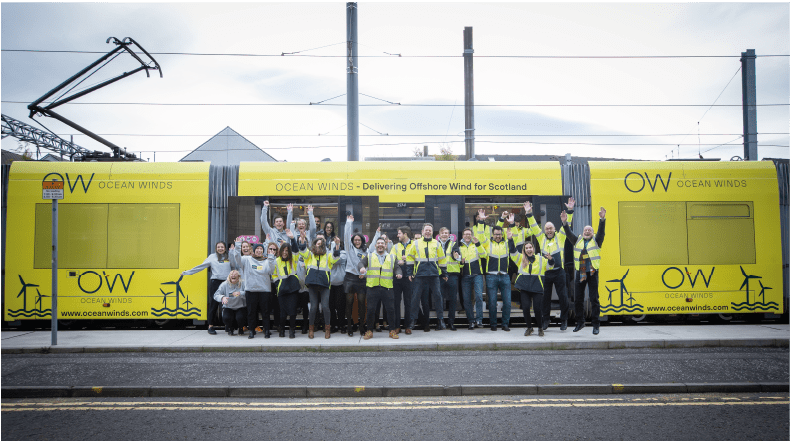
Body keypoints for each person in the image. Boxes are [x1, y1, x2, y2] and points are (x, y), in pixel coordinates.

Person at [525, 198, 575, 331]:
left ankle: (564, 320)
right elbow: (535, 227)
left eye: (551, 228)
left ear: (554, 229)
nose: (548, 230)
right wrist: (529, 213)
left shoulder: (560, 237)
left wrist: (570, 211)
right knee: (544, 298)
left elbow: (567, 224)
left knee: (563, 297)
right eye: (547, 228)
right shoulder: (541, 238)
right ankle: (546, 320)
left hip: (559, 272)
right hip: (545, 273)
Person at [563, 206, 607, 335]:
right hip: (580, 273)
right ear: (582, 232)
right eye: (585, 230)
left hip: (592, 273)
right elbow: (568, 233)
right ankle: (580, 322)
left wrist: (602, 219)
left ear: (592, 233)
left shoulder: (597, 241)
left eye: (589, 230)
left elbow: (601, 232)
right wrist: (565, 223)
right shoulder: (577, 240)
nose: (587, 231)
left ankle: (596, 325)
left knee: (594, 299)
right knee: (578, 300)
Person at [298, 233, 342, 339]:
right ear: (314, 244)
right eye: (317, 243)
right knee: (313, 308)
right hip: (312, 284)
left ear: (324, 246)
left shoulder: (328, 255)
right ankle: (311, 329)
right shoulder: (310, 255)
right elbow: (303, 250)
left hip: (325, 285)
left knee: (326, 307)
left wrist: (337, 246)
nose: (319, 245)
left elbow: (336, 257)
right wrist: (303, 240)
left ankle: (327, 330)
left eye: (321, 244)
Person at [181, 242, 231, 335]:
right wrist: (187, 272)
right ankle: (210, 326)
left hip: (227, 283)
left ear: (225, 248)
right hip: (215, 282)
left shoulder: (229, 257)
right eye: (218, 247)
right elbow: (201, 267)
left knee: (227, 305)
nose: (220, 248)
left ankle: (228, 325)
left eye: (222, 247)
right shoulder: (212, 257)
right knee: (214, 304)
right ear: (216, 248)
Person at [509, 234, 553, 337]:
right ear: (524, 250)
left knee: (537, 309)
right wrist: (510, 239)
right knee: (525, 308)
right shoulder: (520, 258)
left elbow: (550, 266)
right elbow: (512, 251)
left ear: (533, 249)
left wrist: (551, 260)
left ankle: (540, 328)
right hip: (524, 288)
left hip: (537, 287)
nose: (529, 249)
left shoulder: (541, 259)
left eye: (530, 247)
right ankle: (529, 328)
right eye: (526, 248)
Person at [359, 237, 401, 340]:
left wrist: (399, 273)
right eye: (378, 243)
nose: (380, 245)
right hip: (372, 287)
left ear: (385, 246)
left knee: (391, 310)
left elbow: (397, 267)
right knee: (371, 310)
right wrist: (362, 268)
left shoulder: (392, 257)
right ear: (375, 246)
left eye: (382, 243)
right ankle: (369, 331)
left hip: (387, 288)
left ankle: (392, 331)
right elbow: (361, 263)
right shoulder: (369, 256)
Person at [407, 223, 447, 332]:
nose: (428, 232)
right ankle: (412, 320)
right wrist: (409, 272)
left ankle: (441, 320)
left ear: (432, 232)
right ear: (422, 231)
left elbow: (442, 259)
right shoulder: (415, 243)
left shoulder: (437, 243)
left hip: (434, 274)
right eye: (426, 230)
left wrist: (444, 273)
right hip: (420, 274)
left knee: (438, 297)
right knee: (415, 298)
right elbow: (410, 258)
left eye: (430, 230)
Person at [231, 242, 275, 339]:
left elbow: (271, 271)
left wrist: (271, 258)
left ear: (263, 251)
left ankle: (266, 330)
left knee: (265, 312)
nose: (259, 250)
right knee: (251, 312)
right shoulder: (247, 259)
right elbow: (237, 258)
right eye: (257, 249)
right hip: (251, 290)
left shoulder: (267, 260)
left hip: (264, 290)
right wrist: (238, 246)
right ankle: (251, 331)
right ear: (254, 250)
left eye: (261, 249)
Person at [272, 230, 301, 338]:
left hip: (292, 289)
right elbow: (274, 275)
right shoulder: (276, 261)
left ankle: (292, 330)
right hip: (282, 290)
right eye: (283, 250)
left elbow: (296, 250)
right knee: (283, 313)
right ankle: (282, 330)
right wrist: (277, 284)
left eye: (287, 250)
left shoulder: (293, 259)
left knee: (293, 312)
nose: (285, 252)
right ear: (280, 251)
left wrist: (293, 239)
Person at [343, 215, 368, 336]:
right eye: (355, 240)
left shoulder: (366, 251)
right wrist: (348, 223)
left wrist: (365, 273)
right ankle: (349, 327)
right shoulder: (349, 248)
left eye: (359, 240)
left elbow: (368, 264)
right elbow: (346, 237)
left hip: (362, 279)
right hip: (350, 278)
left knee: (362, 303)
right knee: (349, 303)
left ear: (362, 241)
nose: (357, 241)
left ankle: (362, 327)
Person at [458, 228, 486, 329]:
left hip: (477, 274)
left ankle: (479, 320)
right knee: (466, 300)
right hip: (465, 276)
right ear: (462, 236)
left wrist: (478, 244)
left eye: (469, 234)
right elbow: (458, 265)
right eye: (465, 234)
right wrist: (461, 263)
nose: (467, 236)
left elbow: (484, 255)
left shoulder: (476, 245)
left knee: (479, 297)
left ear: (471, 235)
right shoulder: (459, 248)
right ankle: (471, 321)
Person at [485, 225, 511, 331]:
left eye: (499, 234)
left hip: (504, 275)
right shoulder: (488, 243)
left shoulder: (506, 243)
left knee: (508, 302)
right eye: (496, 234)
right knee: (492, 302)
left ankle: (505, 324)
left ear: (502, 234)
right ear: (492, 234)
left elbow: (513, 248)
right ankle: (493, 324)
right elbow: (481, 237)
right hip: (491, 276)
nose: (497, 236)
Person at [391, 226, 415, 334]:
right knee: (396, 302)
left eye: (399, 233)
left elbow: (418, 259)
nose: (397, 235)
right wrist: (398, 262)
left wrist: (408, 259)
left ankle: (408, 326)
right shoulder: (395, 246)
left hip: (409, 277)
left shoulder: (415, 245)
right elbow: (390, 259)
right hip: (397, 278)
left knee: (408, 302)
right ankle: (397, 326)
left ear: (405, 234)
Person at [438, 227, 461, 331]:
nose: (444, 234)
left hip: (452, 275)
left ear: (449, 235)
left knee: (452, 300)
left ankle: (451, 323)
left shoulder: (453, 244)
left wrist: (457, 257)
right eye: (442, 233)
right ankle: (440, 323)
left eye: (446, 233)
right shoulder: (435, 245)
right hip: (440, 276)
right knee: (439, 300)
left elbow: (458, 255)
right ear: (439, 234)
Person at [213, 270, 247, 336]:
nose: (233, 275)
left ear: (238, 277)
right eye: (231, 274)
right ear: (229, 276)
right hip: (228, 307)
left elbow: (248, 293)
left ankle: (240, 328)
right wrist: (222, 297)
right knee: (226, 318)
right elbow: (216, 295)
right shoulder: (224, 284)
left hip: (240, 307)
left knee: (240, 317)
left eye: (235, 274)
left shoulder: (243, 283)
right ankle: (231, 328)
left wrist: (240, 293)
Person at [326, 232, 347, 333]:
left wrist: (336, 246)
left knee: (340, 307)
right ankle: (334, 325)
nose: (334, 243)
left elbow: (336, 259)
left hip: (340, 284)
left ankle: (342, 325)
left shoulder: (343, 253)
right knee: (331, 307)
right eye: (333, 243)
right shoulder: (328, 253)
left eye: (337, 242)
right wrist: (333, 247)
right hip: (330, 284)